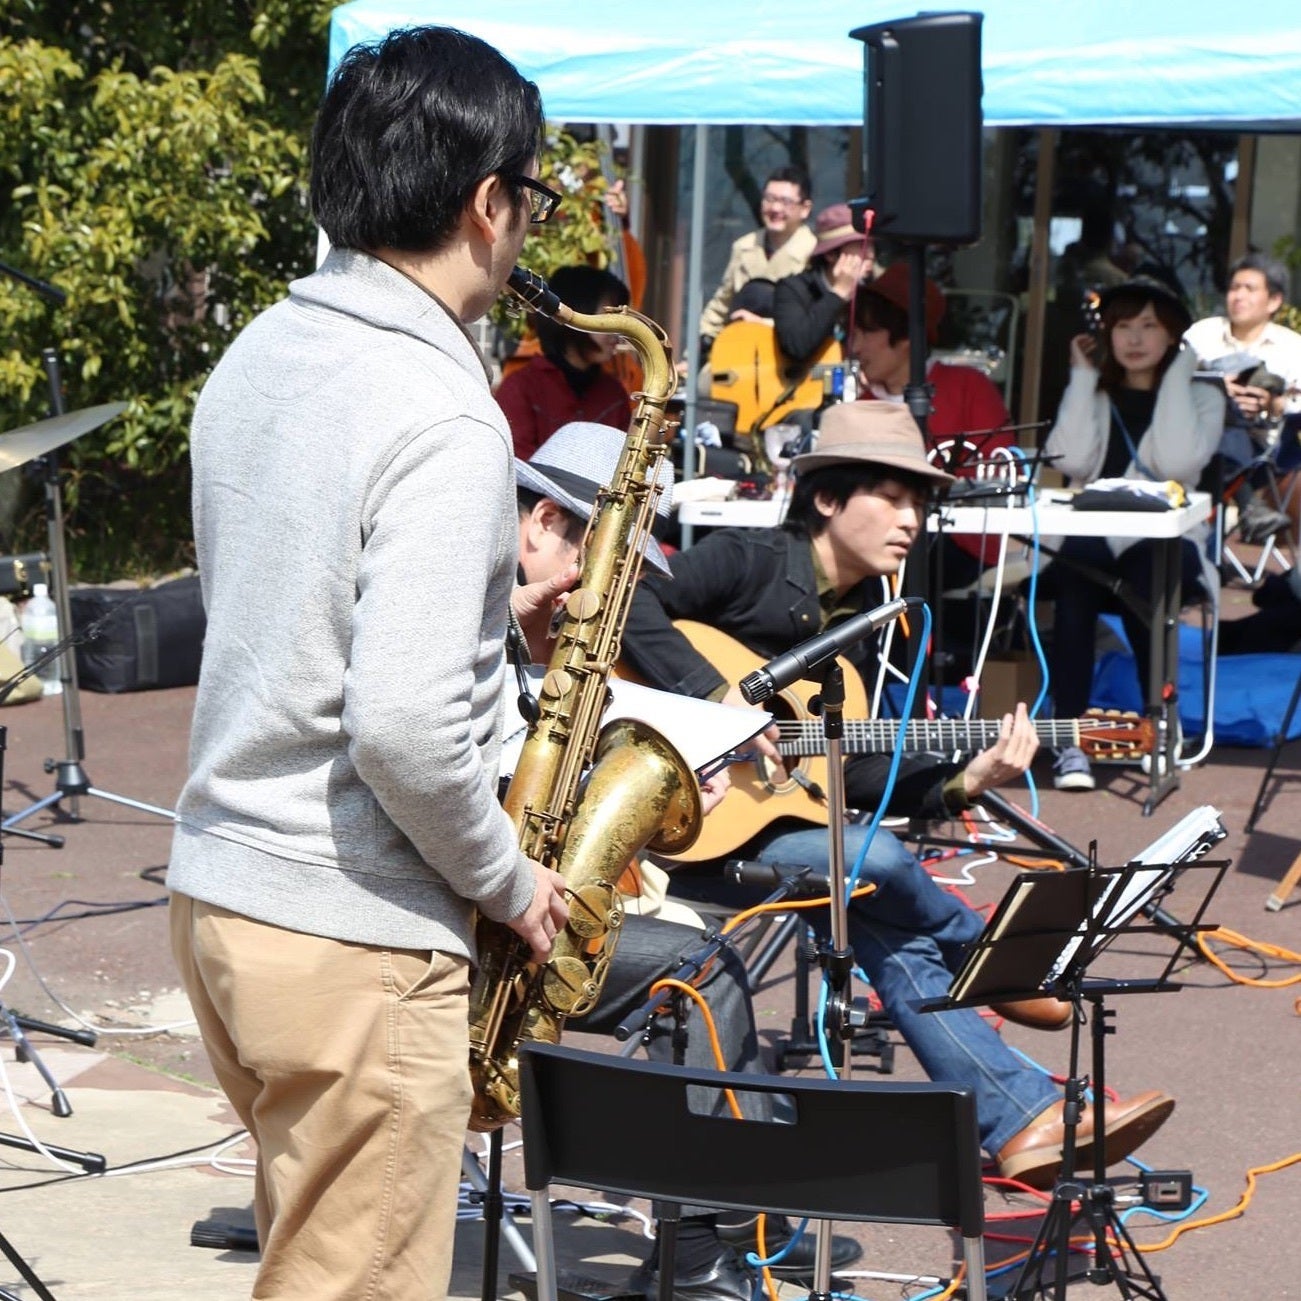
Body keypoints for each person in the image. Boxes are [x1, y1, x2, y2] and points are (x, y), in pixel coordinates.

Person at [165, 28, 572, 1301]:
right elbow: (400, 727)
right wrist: (508, 880)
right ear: (487, 201)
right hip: (351, 928)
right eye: (533, 196)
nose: (529, 228)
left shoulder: (257, 354)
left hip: (223, 895)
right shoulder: (442, 410)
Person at [621, 400, 1176, 1193]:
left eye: (918, 502)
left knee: (880, 910)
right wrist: (715, 696)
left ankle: (1019, 1120)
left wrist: (965, 780)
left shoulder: (876, 619)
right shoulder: (746, 559)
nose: (910, 519)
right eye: (889, 497)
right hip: (673, 822)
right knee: (873, 858)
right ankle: (985, 958)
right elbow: (625, 599)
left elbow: (846, 772)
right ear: (825, 498)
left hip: (770, 830)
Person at [513, 421, 863, 1299]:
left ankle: (736, 1213)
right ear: (543, 523)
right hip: (479, 912)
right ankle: (709, 1242)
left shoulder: (533, 622)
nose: (609, 600)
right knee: (698, 970)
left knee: (706, 955)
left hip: (513, 897)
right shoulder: (473, 619)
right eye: (603, 566)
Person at [1043, 275, 1225, 791]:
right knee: (1074, 581)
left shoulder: (1203, 396)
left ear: (1173, 335)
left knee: (1151, 574)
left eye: (1149, 326)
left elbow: (1179, 463)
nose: (1135, 338)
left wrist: (1179, 375)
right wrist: (1082, 378)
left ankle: (1159, 725)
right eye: (1123, 326)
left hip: (1170, 544)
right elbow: (1069, 461)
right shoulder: (1096, 391)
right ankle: (1071, 737)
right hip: (1093, 539)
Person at [849, 260, 1016, 593]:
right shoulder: (859, 402)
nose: (855, 347)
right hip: (875, 540)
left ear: (906, 336)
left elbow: (998, 474)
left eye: (867, 332)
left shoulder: (968, 386)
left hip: (958, 541)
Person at [1184, 252, 1301, 542]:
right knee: (1218, 404)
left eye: (1249, 289)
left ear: (1274, 301)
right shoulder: (1202, 335)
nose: (1238, 296)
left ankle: (1208, 544)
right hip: (1195, 439)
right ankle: (1248, 506)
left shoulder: (1292, 347)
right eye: (1234, 288)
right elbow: (1170, 381)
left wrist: (1273, 404)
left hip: (1264, 451)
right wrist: (1215, 388)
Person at [495, 263, 634, 460]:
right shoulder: (520, 388)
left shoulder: (614, 392)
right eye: (609, 317)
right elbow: (518, 468)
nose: (618, 333)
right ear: (580, 311)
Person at [698, 166, 816, 356]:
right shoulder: (743, 247)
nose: (775, 208)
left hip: (791, 359)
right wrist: (695, 354)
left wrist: (761, 324)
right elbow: (721, 306)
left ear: (805, 208)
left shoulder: (815, 253)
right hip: (739, 353)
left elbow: (814, 321)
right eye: (769, 199)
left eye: (785, 202)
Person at [772, 201, 876, 367]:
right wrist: (838, 293)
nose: (870, 254)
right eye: (861, 246)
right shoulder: (794, 289)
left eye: (871, 245)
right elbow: (796, 346)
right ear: (830, 255)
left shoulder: (874, 291)